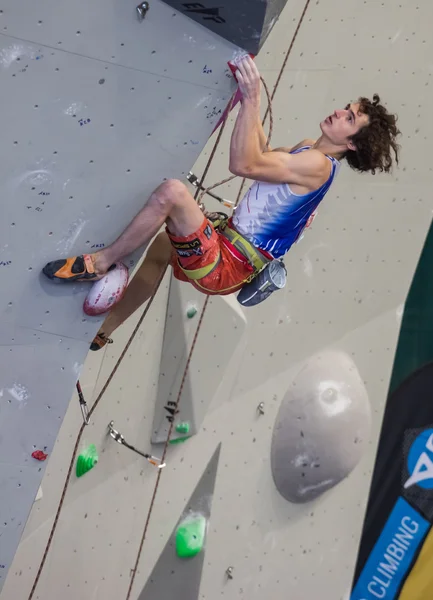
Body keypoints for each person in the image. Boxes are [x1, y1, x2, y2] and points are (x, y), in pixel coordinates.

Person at [42, 56, 401, 351]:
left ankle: (100, 263)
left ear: (352, 144)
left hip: (226, 262)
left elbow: (244, 164)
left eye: (349, 118)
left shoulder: (318, 165)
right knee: (164, 246)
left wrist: (252, 99)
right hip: (231, 253)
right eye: (346, 108)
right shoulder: (310, 149)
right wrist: (245, 101)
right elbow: (260, 151)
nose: (339, 113)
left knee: (173, 193)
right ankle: (104, 330)